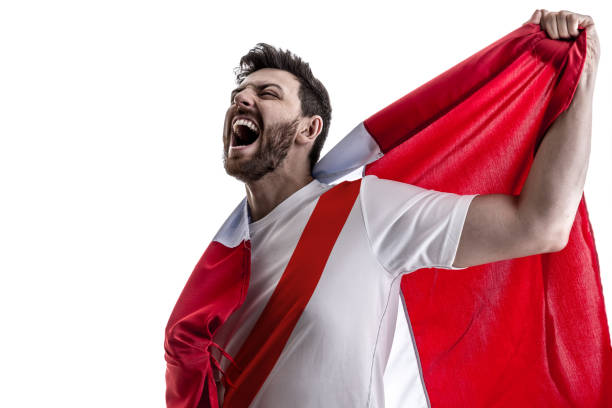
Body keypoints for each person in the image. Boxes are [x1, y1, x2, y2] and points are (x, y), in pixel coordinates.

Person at [169, 9, 600, 407]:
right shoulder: (217, 275)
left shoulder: (365, 210)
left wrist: (584, 70)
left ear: (308, 129)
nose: (241, 102)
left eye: (266, 93)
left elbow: (541, 225)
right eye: (237, 94)